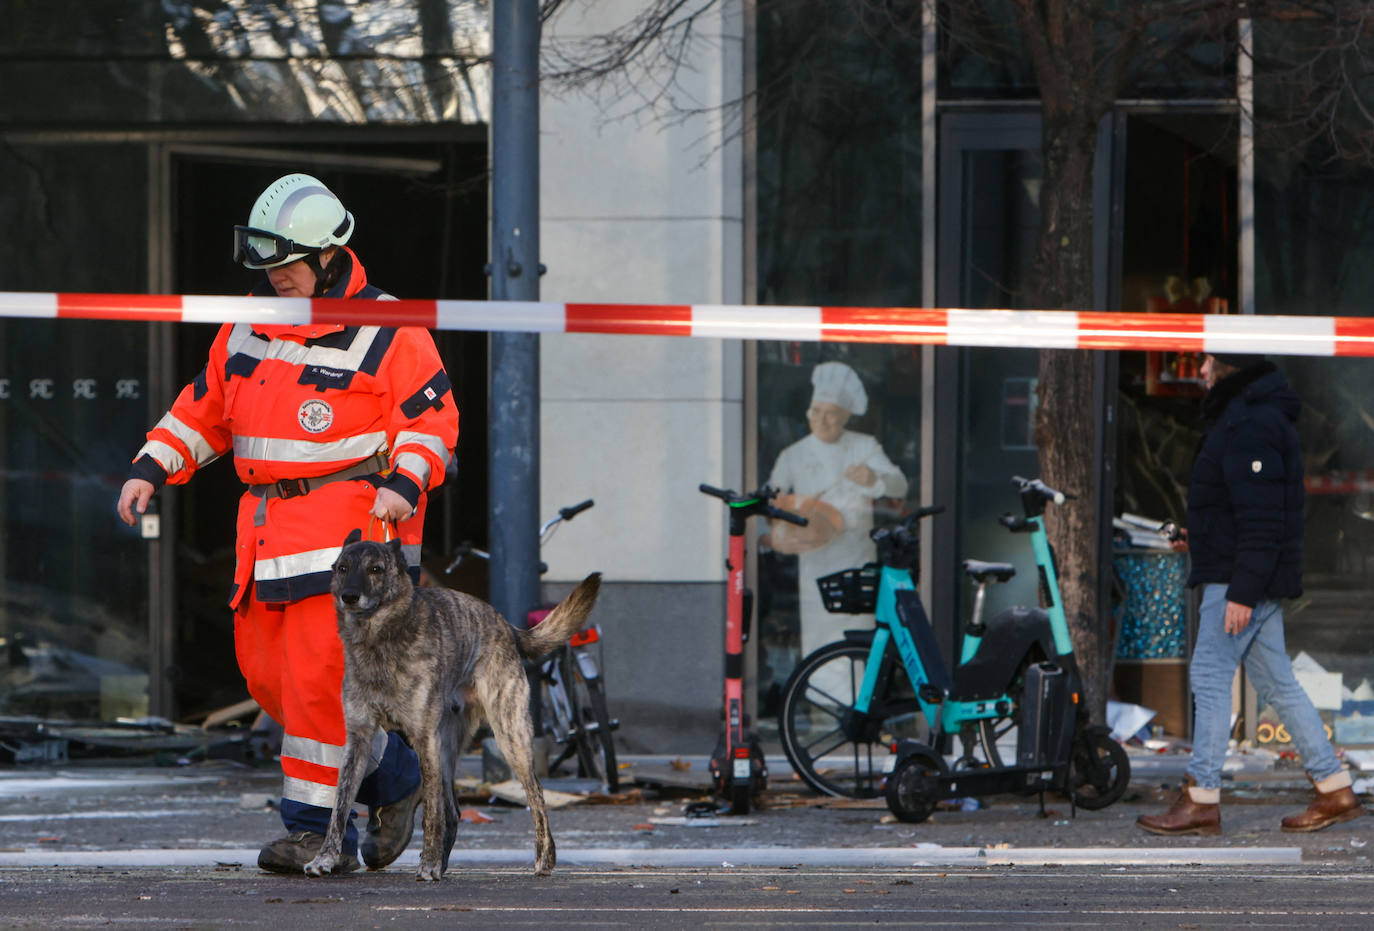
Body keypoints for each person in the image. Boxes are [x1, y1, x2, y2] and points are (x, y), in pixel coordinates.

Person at [116, 173, 460, 873]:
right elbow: (204, 410)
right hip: (266, 535)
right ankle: (397, 781)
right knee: (269, 680)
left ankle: (312, 830)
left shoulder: (388, 322)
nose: (277, 275)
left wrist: (403, 479)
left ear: (332, 254)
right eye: (268, 264)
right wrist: (150, 467)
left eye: (289, 263)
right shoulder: (249, 318)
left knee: (315, 684)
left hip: (345, 537)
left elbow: (430, 420)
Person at [1136, 352, 1362, 836]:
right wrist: (1199, 536)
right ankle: (1333, 787)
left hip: (1240, 582)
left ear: (1230, 368)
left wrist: (1242, 591)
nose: (1199, 370)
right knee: (1279, 683)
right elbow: (1244, 512)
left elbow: (1264, 520)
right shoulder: (1248, 420)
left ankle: (1200, 797)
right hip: (1242, 574)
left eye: (1207, 361)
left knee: (1210, 675)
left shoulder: (1250, 425)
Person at [763, 361, 908, 659]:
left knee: (856, 639)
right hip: (814, 557)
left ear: (844, 417)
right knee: (819, 637)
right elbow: (771, 496)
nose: (822, 420)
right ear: (807, 413)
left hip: (856, 557)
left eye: (831, 414)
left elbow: (901, 486)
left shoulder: (864, 446)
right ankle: (817, 701)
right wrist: (778, 511)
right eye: (816, 411)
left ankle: (861, 702)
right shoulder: (793, 455)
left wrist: (874, 480)